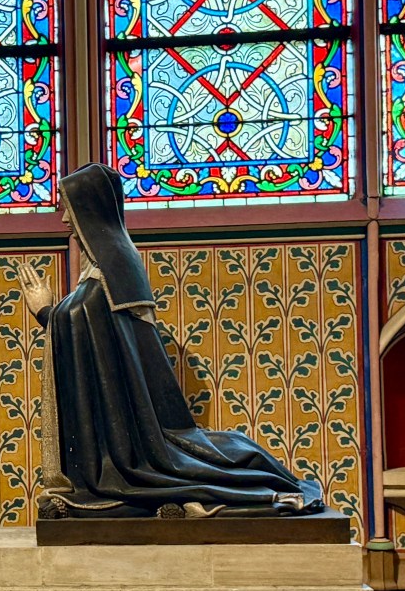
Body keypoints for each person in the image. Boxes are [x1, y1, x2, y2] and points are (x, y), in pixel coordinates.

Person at [17, 164, 322, 519]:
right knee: (222, 450)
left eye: (69, 207)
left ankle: (262, 496)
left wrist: (45, 311)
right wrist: (58, 314)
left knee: (169, 469)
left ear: (88, 210)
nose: (64, 219)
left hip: (131, 444)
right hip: (139, 422)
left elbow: (82, 327)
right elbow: (99, 342)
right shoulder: (120, 261)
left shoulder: (104, 276)